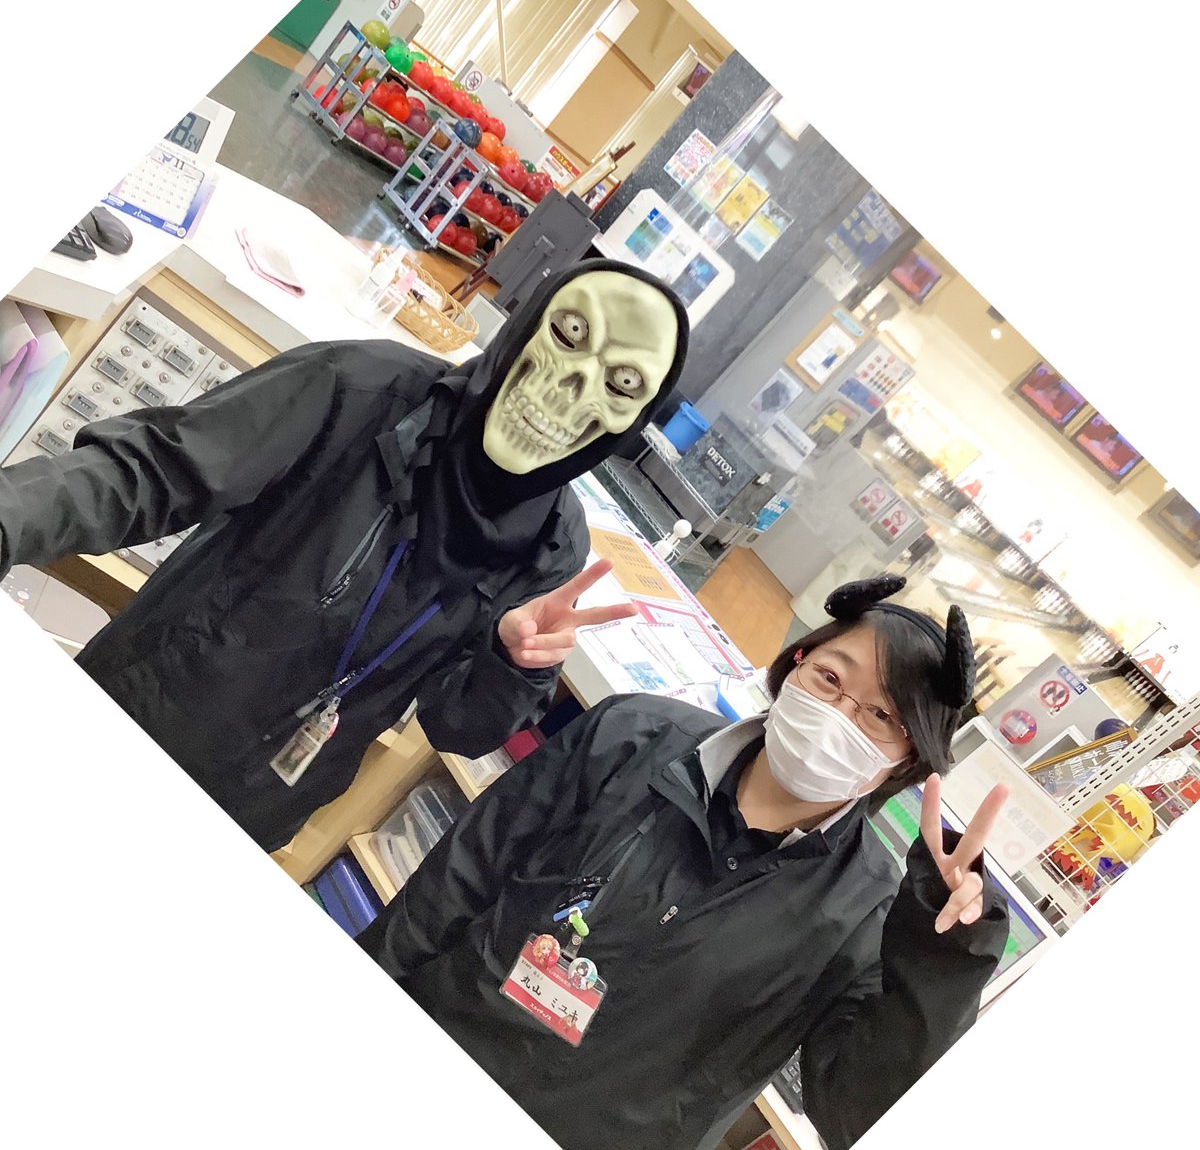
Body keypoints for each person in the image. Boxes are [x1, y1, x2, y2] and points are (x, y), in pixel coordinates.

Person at [0, 261, 688, 851]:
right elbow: (154, 471)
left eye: (623, 385)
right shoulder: (363, 390)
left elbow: (456, 724)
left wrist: (516, 668)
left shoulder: (554, 546)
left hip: (263, 803)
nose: (573, 390)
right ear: (527, 326)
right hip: (138, 712)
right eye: (570, 335)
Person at [357, 574, 1011, 1150]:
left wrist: (942, 961)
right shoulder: (630, 736)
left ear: (907, 759)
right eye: (831, 679)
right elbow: (460, 877)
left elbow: (850, 1116)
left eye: (880, 715)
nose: (838, 715)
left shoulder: (867, 912)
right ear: (797, 663)